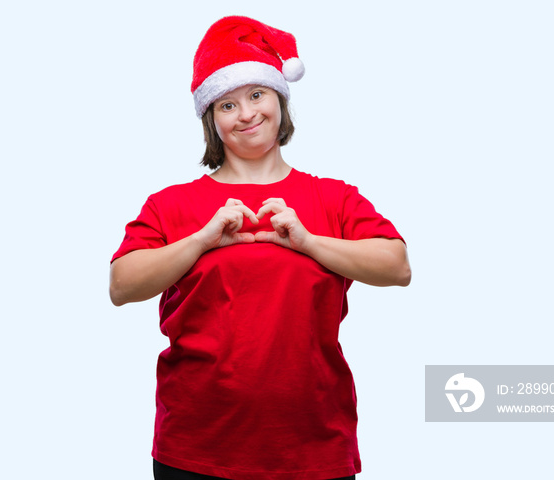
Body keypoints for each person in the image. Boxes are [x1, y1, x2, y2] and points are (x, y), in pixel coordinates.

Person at [110, 16, 411, 480]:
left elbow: (397, 266)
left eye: (256, 95)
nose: (246, 113)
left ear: (280, 99)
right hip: (196, 448)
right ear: (211, 118)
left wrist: (310, 243)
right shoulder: (171, 204)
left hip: (313, 448)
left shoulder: (334, 197)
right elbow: (122, 285)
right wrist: (201, 240)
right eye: (227, 104)